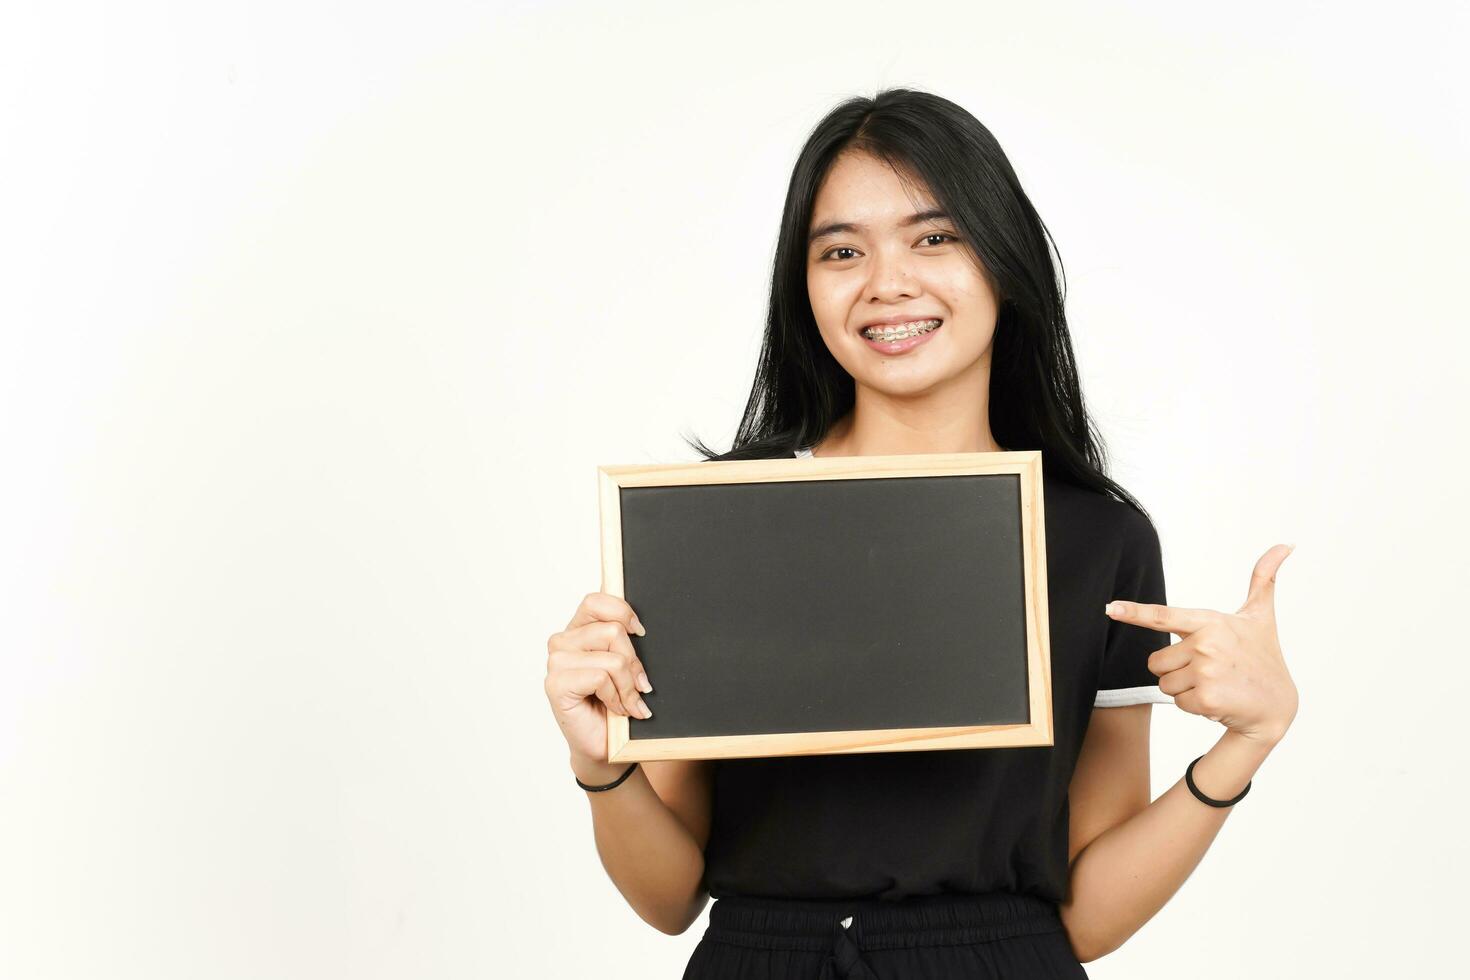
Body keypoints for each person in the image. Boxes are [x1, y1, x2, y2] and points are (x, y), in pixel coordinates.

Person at [543, 88, 1299, 979]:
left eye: (934, 237)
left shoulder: (1099, 539)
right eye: (841, 251)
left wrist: (1248, 740)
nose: (887, 282)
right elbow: (667, 901)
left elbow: (1087, 919)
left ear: (1004, 261)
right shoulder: (721, 522)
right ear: (804, 285)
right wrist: (598, 761)